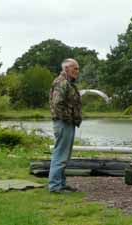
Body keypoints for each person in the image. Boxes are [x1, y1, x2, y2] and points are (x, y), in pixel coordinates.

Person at [48, 58, 82, 193]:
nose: (77, 71)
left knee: (64, 155)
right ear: (66, 69)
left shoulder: (68, 83)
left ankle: (61, 183)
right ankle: (55, 186)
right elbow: (57, 104)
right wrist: (68, 118)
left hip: (67, 122)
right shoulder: (61, 82)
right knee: (60, 154)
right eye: (75, 68)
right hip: (63, 123)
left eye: (78, 69)